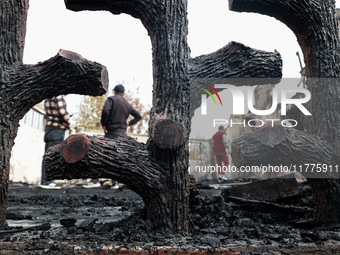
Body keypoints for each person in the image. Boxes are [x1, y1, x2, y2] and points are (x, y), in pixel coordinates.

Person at [82, 84, 142, 189]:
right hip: (123, 134)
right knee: (118, 158)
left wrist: (104, 124)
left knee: (102, 155)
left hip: (112, 133)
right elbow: (138, 116)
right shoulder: (127, 104)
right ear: (123, 93)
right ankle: (116, 182)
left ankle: (95, 180)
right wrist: (129, 123)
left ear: (114, 91)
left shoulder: (111, 99)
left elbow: (105, 111)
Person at [39, 95, 71, 189]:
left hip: (50, 128)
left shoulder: (48, 96)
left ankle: (46, 180)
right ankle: (47, 181)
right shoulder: (59, 95)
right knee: (51, 155)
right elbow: (61, 111)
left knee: (48, 154)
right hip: (57, 129)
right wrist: (68, 120)